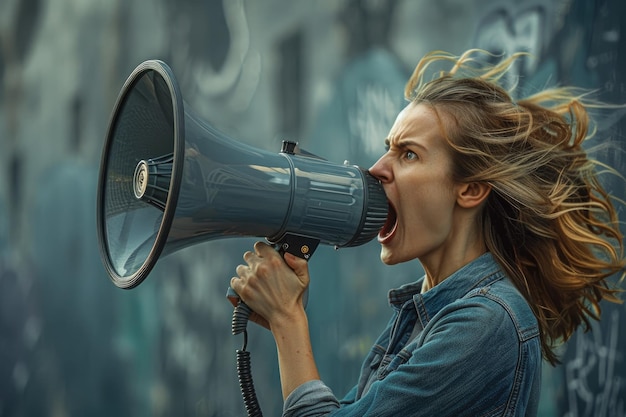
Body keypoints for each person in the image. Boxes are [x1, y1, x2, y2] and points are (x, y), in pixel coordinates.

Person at [230, 49, 626, 416]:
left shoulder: (487, 321)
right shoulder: (425, 314)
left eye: (408, 154)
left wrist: (287, 318)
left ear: (470, 189)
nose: (376, 169)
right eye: (388, 148)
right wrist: (287, 316)